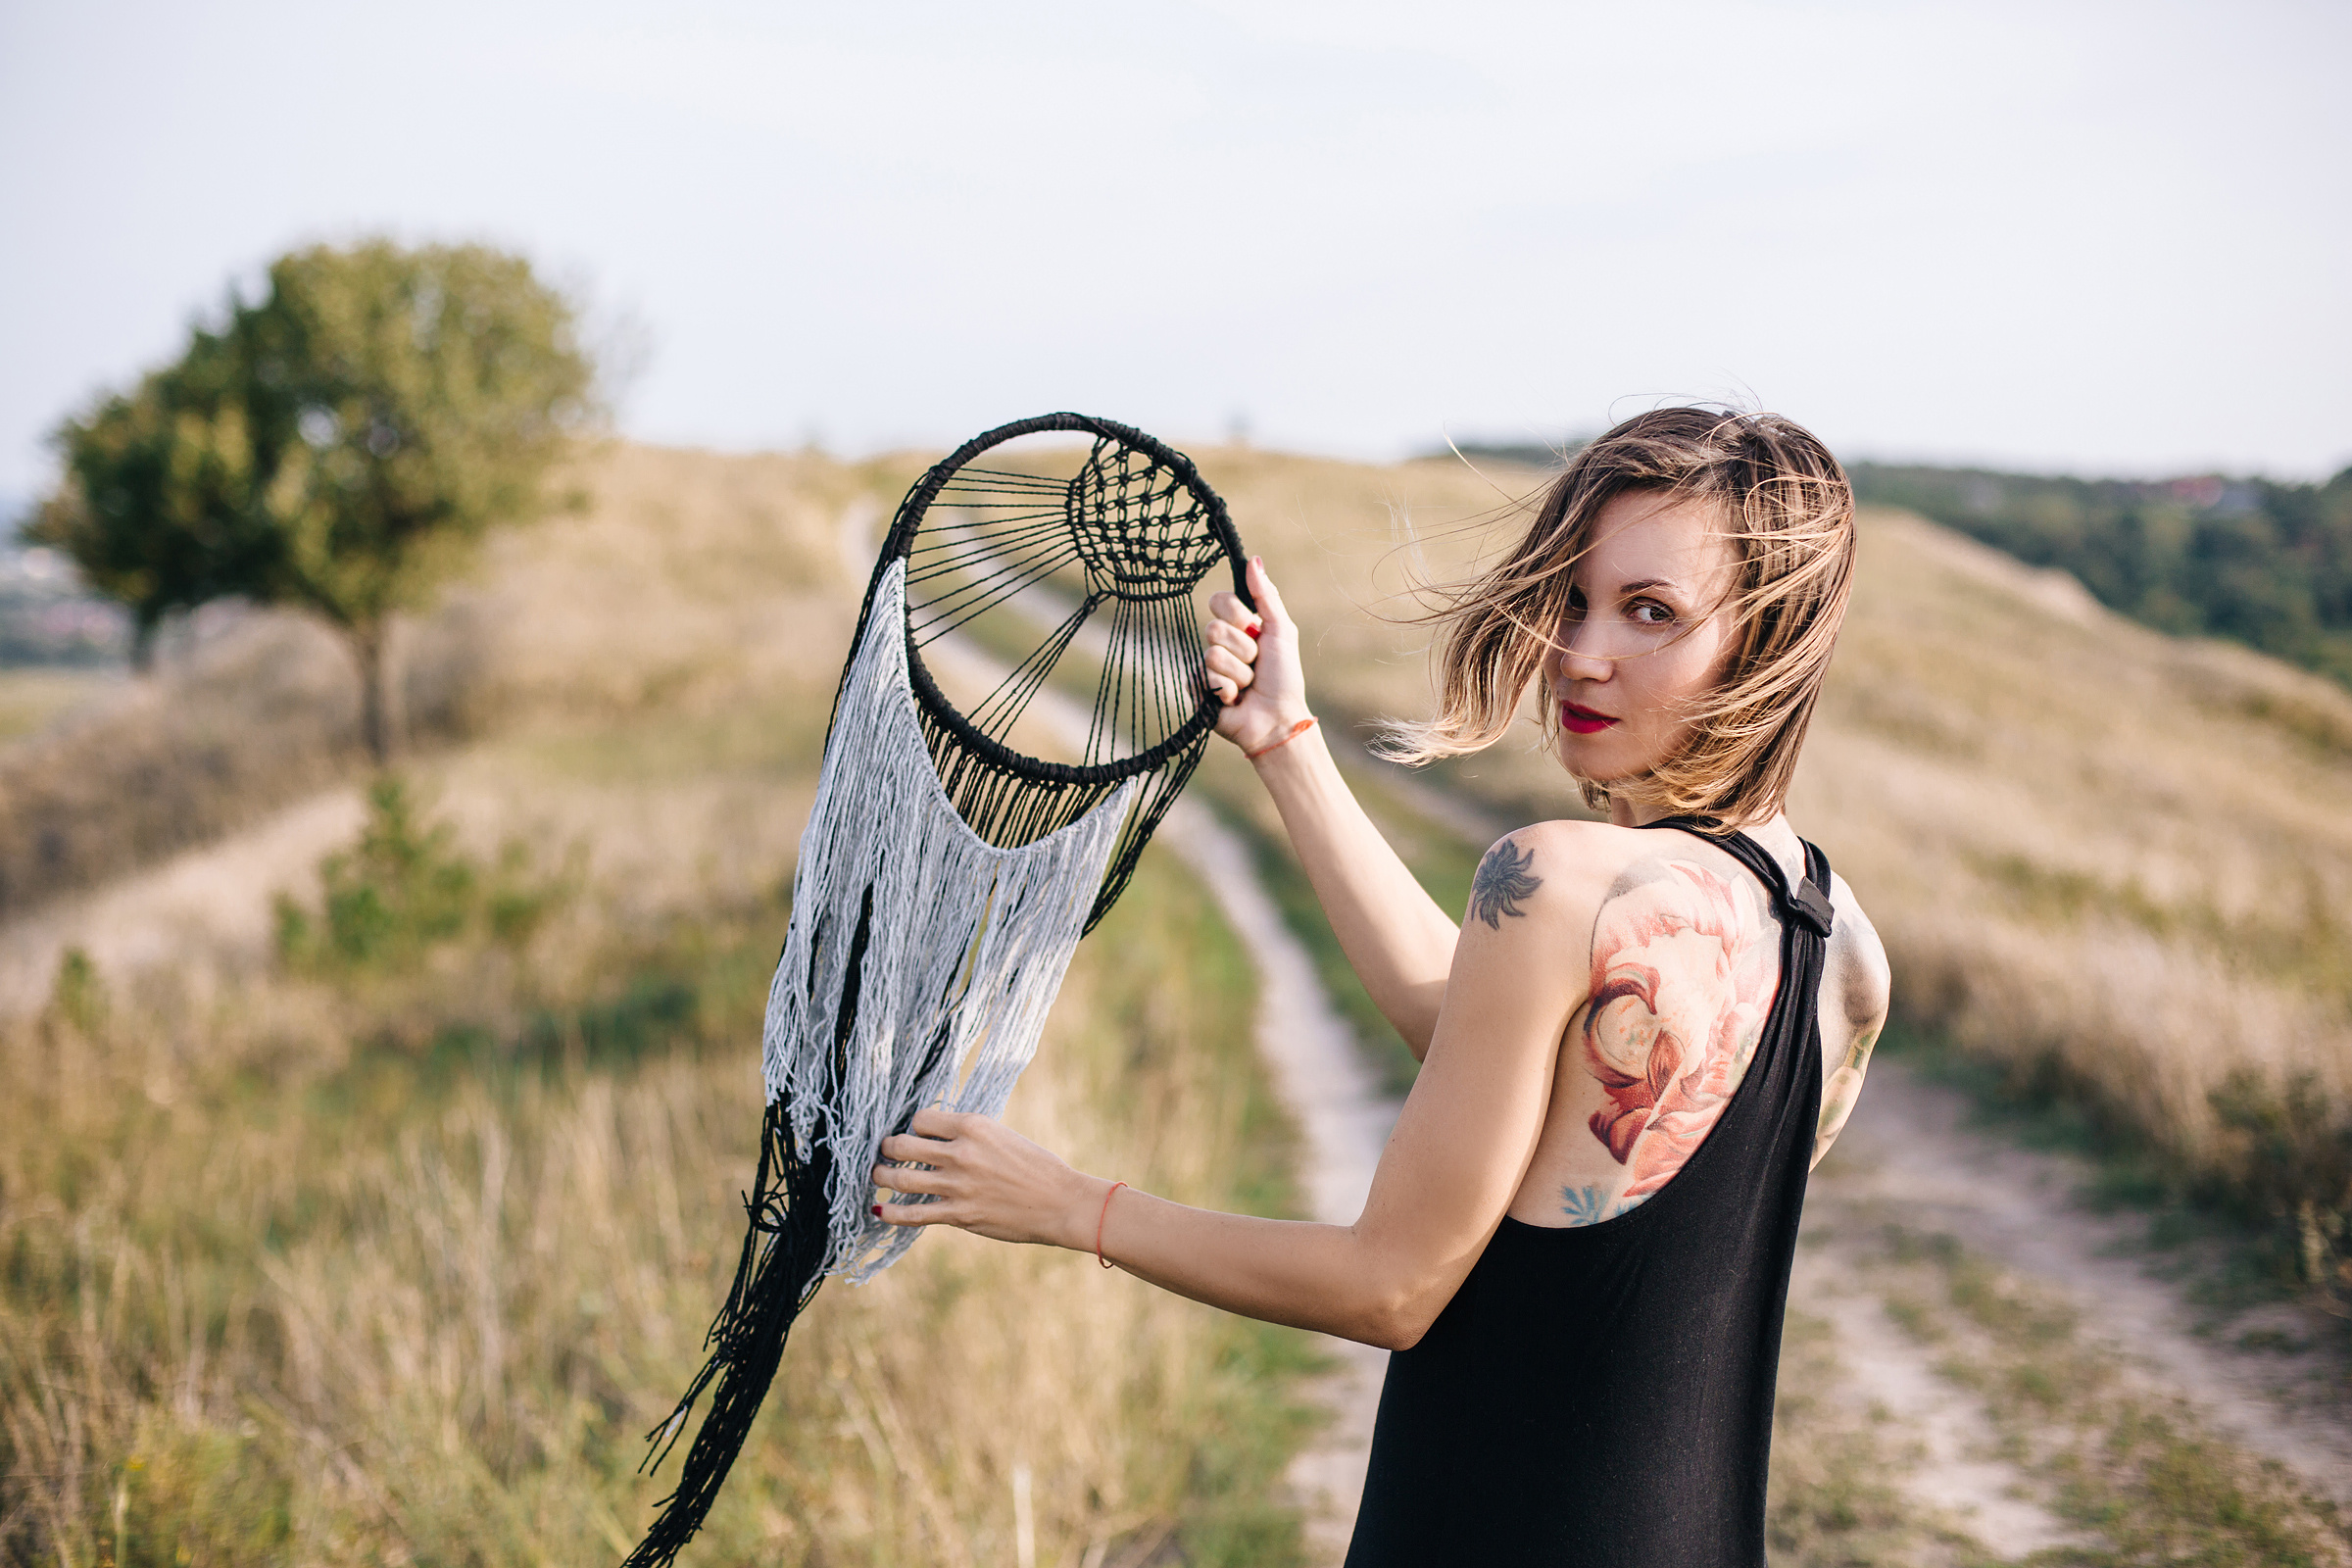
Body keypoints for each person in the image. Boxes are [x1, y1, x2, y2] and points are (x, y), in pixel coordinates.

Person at [869, 407, 1892, 1566]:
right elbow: (1521, 1086)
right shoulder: (1842, 944)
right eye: (1571, 597)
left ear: (1770, 640)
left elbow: (1391, 1287)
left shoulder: (1559, 879)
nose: (1581, 651)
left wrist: (1067, 1204)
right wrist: (1286, 740)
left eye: (1650, 611)